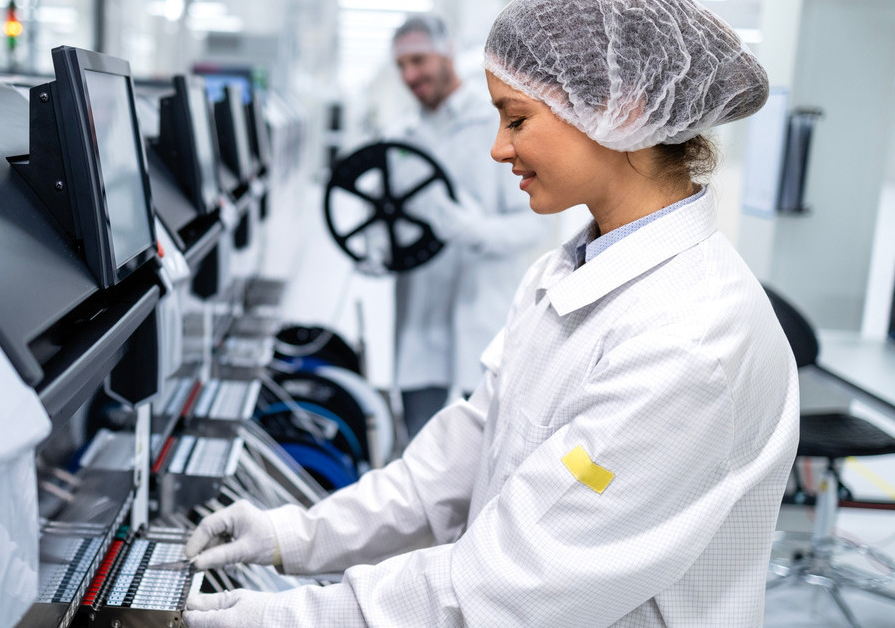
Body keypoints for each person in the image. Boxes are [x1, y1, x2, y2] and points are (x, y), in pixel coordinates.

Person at [184, 0, 800, 625]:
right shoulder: (564, 274)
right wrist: (296, 535)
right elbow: (469, 451)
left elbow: (508, 585)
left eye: (516, 119)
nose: (498, 148)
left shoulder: (691, 340)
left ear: (626, 111)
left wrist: (271, 618)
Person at [369, 14, 548, 437]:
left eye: (419, 60)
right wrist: (375, 246)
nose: (410, 75)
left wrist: (475, 231)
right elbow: (382, 209)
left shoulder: (499, 123)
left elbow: (534, 226)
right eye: (401, 66)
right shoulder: (402, 136)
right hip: (419, 314)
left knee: (482, 445)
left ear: (447, 51)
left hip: (482, 311)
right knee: (418, 442)